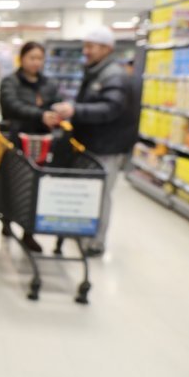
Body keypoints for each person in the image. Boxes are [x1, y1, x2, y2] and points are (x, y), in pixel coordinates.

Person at [53, 27, 135, 257]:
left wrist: (75, 110)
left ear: (106, 49)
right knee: (90, 191)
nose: (85, 51)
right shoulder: (97, 72)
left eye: (90, 47)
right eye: (85, 46)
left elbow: (110, 109)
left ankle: (96, 242)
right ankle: (84, 233)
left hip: (107, 147)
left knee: (101, 193)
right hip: (93, 144)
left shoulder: (113, 76)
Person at [0, 41, 61, 252]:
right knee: (13, 182)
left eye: (40, 58)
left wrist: (56, 113)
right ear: (22, 58)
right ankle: (6, 219)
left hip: (42, 144)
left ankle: (29, 232)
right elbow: (11, 105)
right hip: (16, 140)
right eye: (32, 57)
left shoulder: (49, 84)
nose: (36, 62)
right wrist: (40, 115)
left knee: (35, 187)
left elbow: (55, 103)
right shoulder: (11, 82)